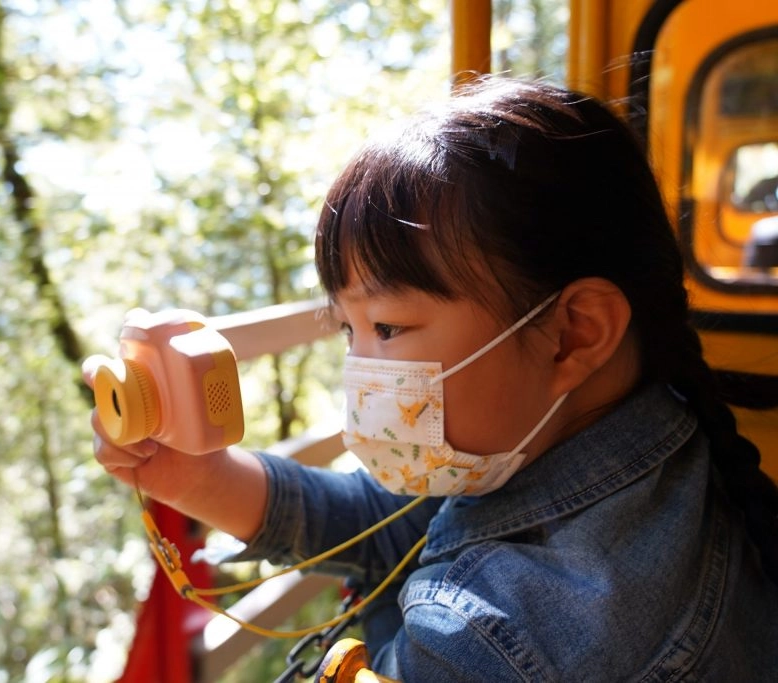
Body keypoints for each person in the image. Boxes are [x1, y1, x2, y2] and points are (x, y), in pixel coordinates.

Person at [86, 78, 778, 680]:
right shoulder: (607, 437)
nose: (361, 369)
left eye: (387, 328)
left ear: (576, 332)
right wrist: (200, 478)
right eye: (347, 329)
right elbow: (388, 523)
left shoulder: (504, 640)